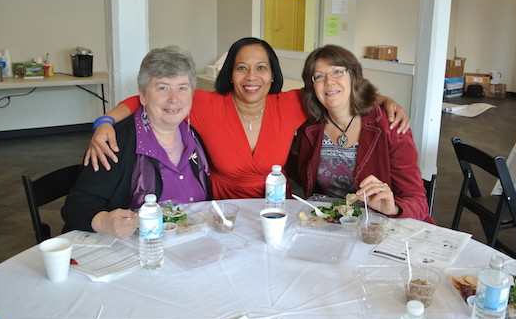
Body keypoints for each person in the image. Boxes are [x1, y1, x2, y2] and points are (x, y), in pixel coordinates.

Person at [84, 37, 410, 200]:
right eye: (242, 67)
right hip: (221, 214)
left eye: (261, 67)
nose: (251, 76)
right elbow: (149, 96)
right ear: (230, 74)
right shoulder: (207, 105)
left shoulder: (289, 104)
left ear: (272, 75)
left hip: (276, 213)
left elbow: (332, 90)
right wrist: (105, 123)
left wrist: (382, 100)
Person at [62, 46, 211, 238]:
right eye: (163, 88)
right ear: (142, 95)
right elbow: (76, 205)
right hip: (138, 247)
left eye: (182, 88)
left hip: (193, 241)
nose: (174, 99)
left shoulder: (194, 136)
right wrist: (105, 221)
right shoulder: (115, 142)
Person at [289, 44, 433, 223]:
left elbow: (418, 202)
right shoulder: (309, 127)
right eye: (319, 76)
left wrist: (393, 208)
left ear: (353, 76)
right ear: (312, 86)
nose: (329, 81)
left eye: (338, 72)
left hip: (379, 226)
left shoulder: (390, 126)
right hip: (330, 224)